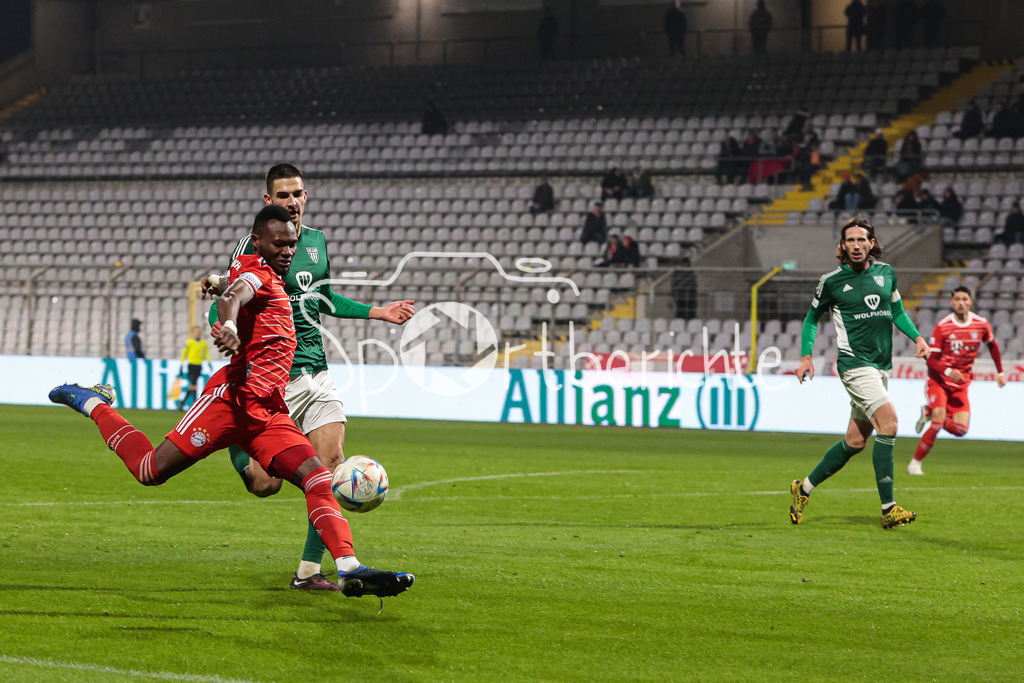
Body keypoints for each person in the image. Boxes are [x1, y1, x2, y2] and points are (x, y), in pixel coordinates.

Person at [49, 205, 415, 598]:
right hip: (229, 404)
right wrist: (227, 323)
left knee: (318, 477)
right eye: (279, 244)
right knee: (149, 470)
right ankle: (94, 402)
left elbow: (232, 282)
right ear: (258, 241)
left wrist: (215, 280)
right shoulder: (258, 275)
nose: (288, 251)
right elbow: (235, 295)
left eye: (292, 244)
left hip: (268, 411)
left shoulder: (259, 270)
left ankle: (349, 569)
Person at [213, 164, 415, 592]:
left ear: (306, 196)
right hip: (274, 376)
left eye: (298, 194)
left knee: (329, 467)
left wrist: (377, 312)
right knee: (264, 484)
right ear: (269, 200)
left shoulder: (318, 243)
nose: (292, 202)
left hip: (316, 370)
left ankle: (309, 571)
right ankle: (235, 436)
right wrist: (228, 325)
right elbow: (231, 297)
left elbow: (321, 297)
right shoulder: (250, 247)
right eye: (283, 195)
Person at [790, 216, 929, 529]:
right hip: (854, 365)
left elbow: (897, 311)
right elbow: (811, 319)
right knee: (889, 424)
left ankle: (803, 488)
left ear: (871, 243)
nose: (855, 245)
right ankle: (889, 508)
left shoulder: (886, 274)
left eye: (861, 240)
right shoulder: (832, 281)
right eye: (850, 240)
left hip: (880, 365)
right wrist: (806, 357)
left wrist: (918, 338)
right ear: (842, 245)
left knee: (855, 441)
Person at [908, 286, 1006, 475]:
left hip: (961, 384)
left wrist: (1000, 372)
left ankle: (928, 412)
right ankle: (914, 464)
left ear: (970, 302)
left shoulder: (981, 324)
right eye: (957, 299)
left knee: (961, 430)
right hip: (939, 381)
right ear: (952, 302)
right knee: (938, 422)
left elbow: (992, 346)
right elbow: (931, 359)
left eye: (964, 299)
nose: (961, 303)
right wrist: (947, 371)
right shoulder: (943, 326)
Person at [177, 325, 211, 410]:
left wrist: (209, 362)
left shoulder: (203, 343)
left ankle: (183, 402)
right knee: (194, 384)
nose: (197, 333)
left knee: (193, 384)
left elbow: (206, 353)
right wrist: (181, 365)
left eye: (199, 332)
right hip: (191, 365)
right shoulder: (189, 342)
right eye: (196, 332)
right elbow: (184, 354)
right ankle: (195, 403)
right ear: (193, 333)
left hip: (198, 366)